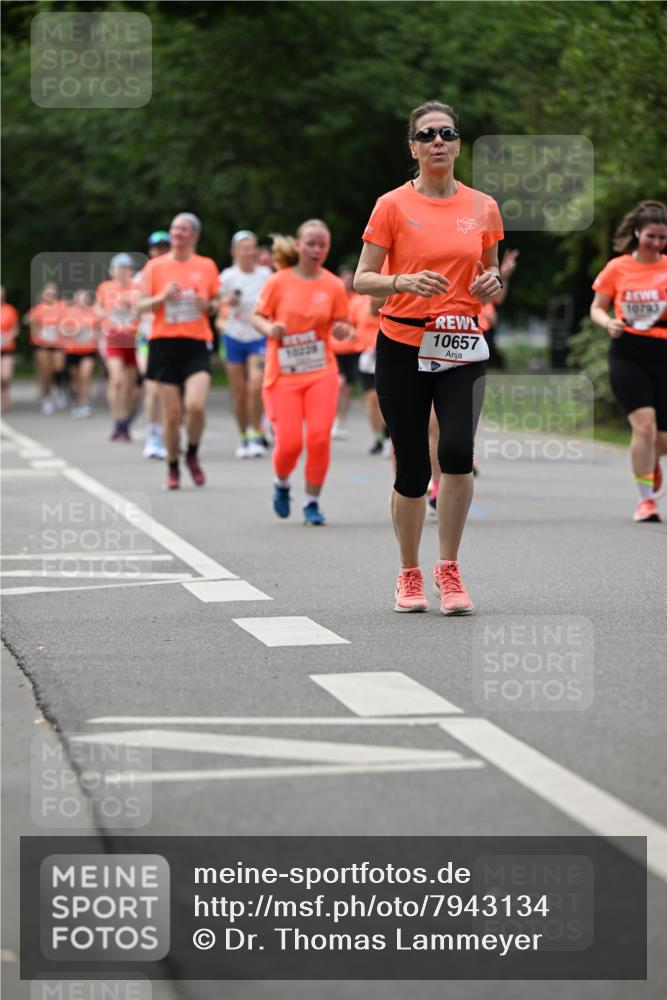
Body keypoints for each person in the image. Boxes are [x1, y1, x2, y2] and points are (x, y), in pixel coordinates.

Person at [354, 100, 504, 614]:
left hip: (461, 339)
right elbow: (362, 277)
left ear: (459, 144)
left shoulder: (482, 206)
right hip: (402, 342)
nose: (437, 141)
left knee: (458, 451)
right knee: (413, 465)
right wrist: (401, 280)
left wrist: (492, 281)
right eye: (427, 135)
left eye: (447, 133)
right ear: (413, 147)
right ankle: (409, 573)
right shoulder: (391, 205)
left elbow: (490, 273)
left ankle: (449, 568)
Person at [252, 219, 350, 525]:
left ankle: (311, 502)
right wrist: (271, 328)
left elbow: (343, 323)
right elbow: (257, 316)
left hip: (321, 369)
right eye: (310, 243)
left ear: (328, 248)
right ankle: (281, 484)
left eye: (322, 244)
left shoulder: (333, 285)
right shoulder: (278, 281)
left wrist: (343, 330)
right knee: (290, 442)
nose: (316, 249)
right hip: (283, 373)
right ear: (298, 245)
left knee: (320, 438)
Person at [590, 199, 667, 523]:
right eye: (651, 236)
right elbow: (596, 307)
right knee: (644, 426)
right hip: (627, 350)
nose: (657, 243)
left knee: (660, 438)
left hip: (663, 352)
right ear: (637, 233)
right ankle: (645, 501)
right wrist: (608, 323)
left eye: (663, 238)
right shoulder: (617, 268)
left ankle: (649, 462)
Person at [427, 246, 519, 510]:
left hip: (470, 341)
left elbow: (496, 299)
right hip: (431, 340)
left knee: (458, 416)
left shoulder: (480, 263)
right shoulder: (431, 259)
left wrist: (504, 276)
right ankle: (437, 485)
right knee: (433, 424)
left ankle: (461, 448)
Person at [138, 212, 220, 490]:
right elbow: (139, 306)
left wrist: (205, 304)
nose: (177, 233)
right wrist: (163, 297)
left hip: (196, 342)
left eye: (183, 229)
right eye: (174, 228)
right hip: (163, 343)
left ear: (194, 235)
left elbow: (216, 304)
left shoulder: (206, 265)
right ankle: (173, 467)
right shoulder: (155, 267)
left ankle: (193, 454)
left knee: (195, 407)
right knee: (171, 415)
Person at [216, 230, 272, 458]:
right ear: (234, 251)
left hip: (258, 336)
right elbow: (216, 304)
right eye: (243, 248)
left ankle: (257, 433)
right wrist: (226, 301)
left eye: (252, 247)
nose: (248, 252)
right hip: (233, 336)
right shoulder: (227, 277)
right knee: (238, 392)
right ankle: (243, 436)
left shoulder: (266, 275)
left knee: (256, 386)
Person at [95, 254, 141, 441]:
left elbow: (144, 309)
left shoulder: (138, 288)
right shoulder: (105, 288)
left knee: (129, 385)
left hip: (134, 339)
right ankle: (117, 421)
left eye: (126, 268)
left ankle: (125, 422)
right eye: (119, 268)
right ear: (112, 271)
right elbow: (97, 307)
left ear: (131, 270)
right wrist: (104, 315)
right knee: (117, 380)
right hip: (113, 337)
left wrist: (131, 305)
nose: (123, 272)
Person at [136, 231, 171, 459]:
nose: (160, 251)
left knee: (170, 389)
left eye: (164, 247)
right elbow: (138, 307)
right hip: (148, 337)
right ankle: (153, 434)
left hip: (174, 337)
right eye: (156, 248)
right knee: (153, 386)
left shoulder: (179, 271)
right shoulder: (143, 276)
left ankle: (169, 432)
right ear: (150, 251)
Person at [348, 293, 388, 453]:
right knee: (372, 398)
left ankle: (390, 435)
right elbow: (350, 323)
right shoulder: (358, 302)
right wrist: (350, 332)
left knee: (389, 398)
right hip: (367, 356)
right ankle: (379, 437)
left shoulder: (393, 295)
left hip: (388, 353)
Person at [23, 282, 66, 415]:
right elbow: (26, 319)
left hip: (58, 343)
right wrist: (35, 324)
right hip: (42, 343)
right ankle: (47, 398)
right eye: (48, 292)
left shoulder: (62, 306)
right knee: (46, 371)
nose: (50, 295)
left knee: (58, 368)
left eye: (53, 292)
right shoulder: (38, 308)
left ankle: (58, 389)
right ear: (43, 294)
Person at [330, 265, 363, 440]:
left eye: (351, 278)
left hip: (352, 349)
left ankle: (340, 421)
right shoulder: (333, 298)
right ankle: (331, 419)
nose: (348, 281)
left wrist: (352, 332)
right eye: (345, 278)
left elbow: (358, 323)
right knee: (339, 383)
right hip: (335, 349)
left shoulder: (358, 299)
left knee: (347, 388)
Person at [59, 289, 100, 417]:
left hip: (88, 350)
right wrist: (74, 331)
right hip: (72, 350)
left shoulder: (93, 313)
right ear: (76, 299)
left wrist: (94, 335)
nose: (83, 300)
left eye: (85, 297)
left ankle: (85, 403)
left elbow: (98, 330)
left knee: (85, 376)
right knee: (76, 379)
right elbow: (62, 329)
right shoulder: (68, 312)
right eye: (80, 297)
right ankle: (77, 402)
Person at [1, 286, 19, 409]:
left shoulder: (10, 310)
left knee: (6, 376)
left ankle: (5, 390)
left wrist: (8, 337)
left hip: (7, 347)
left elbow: (15, 328)